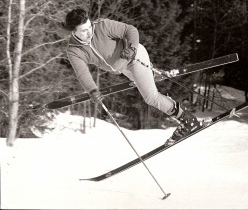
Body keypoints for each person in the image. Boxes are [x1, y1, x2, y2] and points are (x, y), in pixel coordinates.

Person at [63, 8, 201, 145]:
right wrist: (92, 90)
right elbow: (82, 73)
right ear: (73, 32)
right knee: (145, 83)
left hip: (134, 58)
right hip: (122, 69)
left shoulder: (102, 26)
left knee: (151, 98)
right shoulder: (74, 50)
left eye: (89, 26)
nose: (89, 32)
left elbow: (130, 30)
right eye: (84, 30)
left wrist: (132, 48)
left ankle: (188, 120)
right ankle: (150, 72)